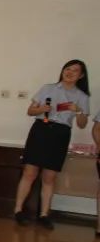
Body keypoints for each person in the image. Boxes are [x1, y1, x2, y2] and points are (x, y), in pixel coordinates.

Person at [13, 60, 91, 229]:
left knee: (49, 177)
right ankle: (18, 210)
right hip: (41, 130)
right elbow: (30, 111)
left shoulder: (82, 97)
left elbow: (82, 124)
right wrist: (42, 109)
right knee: (29, 172)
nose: (69, 72)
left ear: (81, 76)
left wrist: (78, 110)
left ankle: (44, 214)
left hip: (60, 134)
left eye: (75, 71)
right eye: (67, 69)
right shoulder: (48, 88)